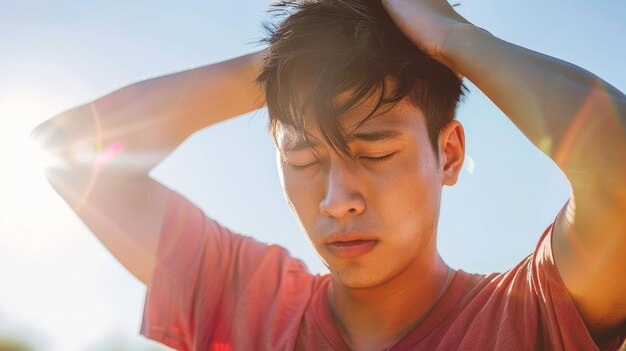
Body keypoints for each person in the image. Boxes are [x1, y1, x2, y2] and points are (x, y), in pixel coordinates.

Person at [30, 0, 625, 350]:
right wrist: (284, 68)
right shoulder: (247, 303)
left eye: (375, 153)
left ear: (447, 154)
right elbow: (69, 152)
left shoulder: (528, 317)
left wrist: (453, 37)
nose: (337, 201)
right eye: (304, 161)